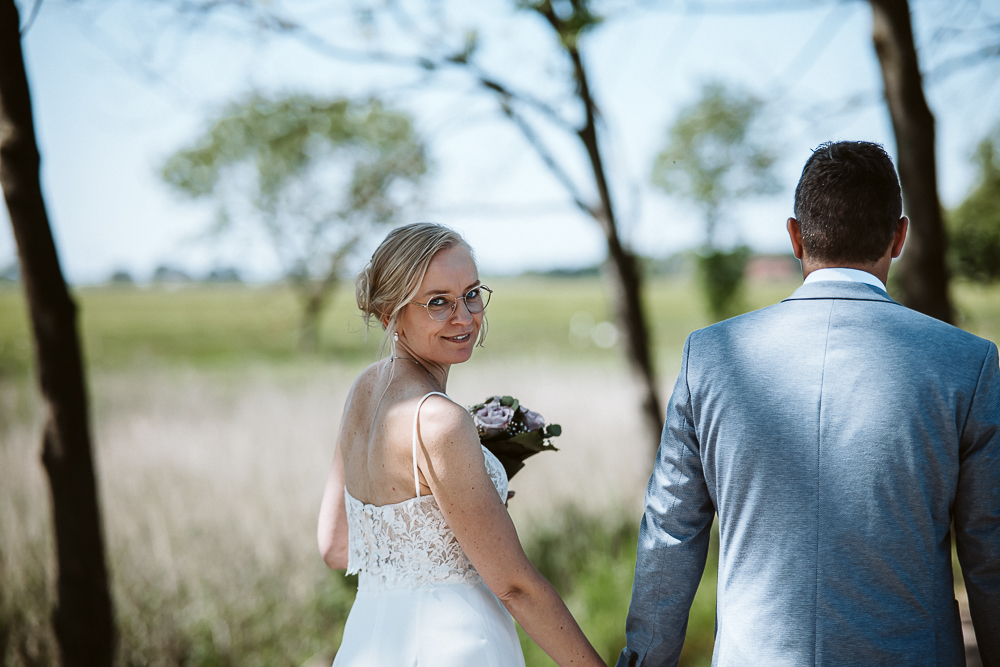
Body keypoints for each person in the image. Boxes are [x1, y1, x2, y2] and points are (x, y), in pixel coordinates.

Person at [617, 141, 1000, 666]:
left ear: (795, 236)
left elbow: (671, 531)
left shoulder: (710, 356)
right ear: (901, 236)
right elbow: (990, 549)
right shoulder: (966, 363)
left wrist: (643, 660)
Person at [318, 223, 604, 667]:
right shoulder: (439, 421)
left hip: (369, 644)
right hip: (452, 645)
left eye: (472, 294)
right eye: (438, 303)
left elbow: (335, 547)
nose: (465, 316)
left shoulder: (363, 392)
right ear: (390, 314)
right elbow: (515, 587)